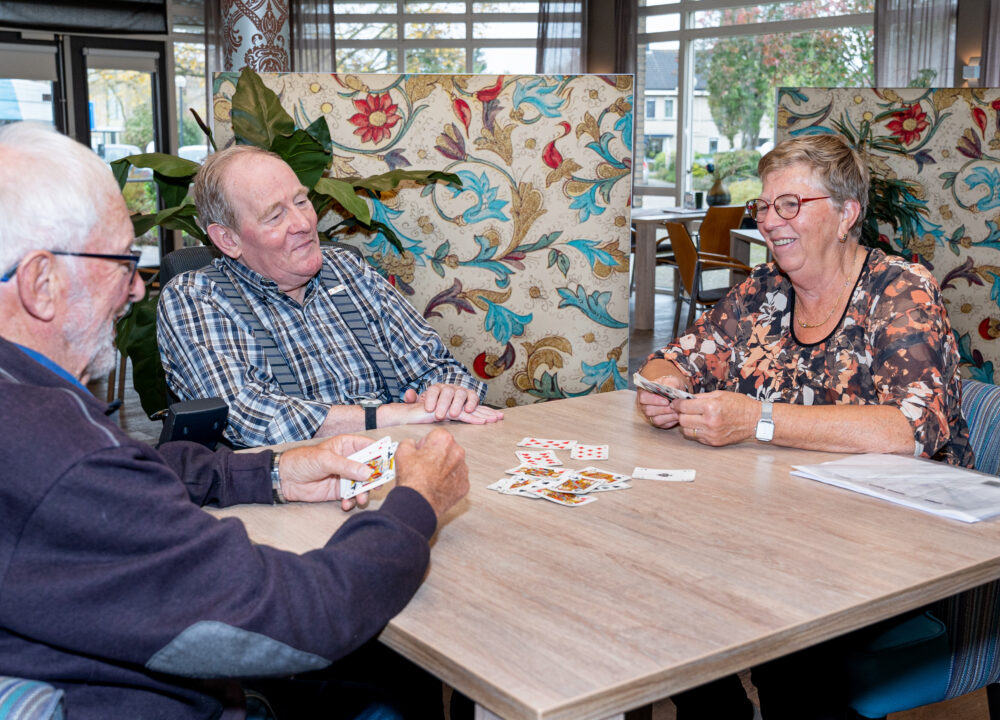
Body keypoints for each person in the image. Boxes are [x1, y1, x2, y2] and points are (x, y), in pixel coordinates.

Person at [0, 121, 470, 719]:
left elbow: (140, 467)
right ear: (41, 282)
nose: (135, 292)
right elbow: (299, 619)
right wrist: (418, 503)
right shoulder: (53, 452)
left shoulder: (28, 405)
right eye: (122, 262)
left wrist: (270, 473)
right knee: (387, 687)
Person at [637, 134, 973, 719]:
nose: (770, 221)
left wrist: (756, 420)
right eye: (764, 207)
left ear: (847, 214)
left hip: (895, 542)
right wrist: (666, 390)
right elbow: (674, 358)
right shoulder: (762, 291)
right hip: (783, 524)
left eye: (790, 205)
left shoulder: (899, 290)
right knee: (664, 582)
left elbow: (909, 432)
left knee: (788, 636)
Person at [157, 145, 503, 447]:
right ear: (228, 240)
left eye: (301, 201)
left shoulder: (348, 270)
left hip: (402, 458)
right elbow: (254, 418)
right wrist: (392, 416)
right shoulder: (195, 298)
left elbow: (436, 366)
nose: (304, 223)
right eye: (276, 215)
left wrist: (447, 394)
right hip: (296, 490)